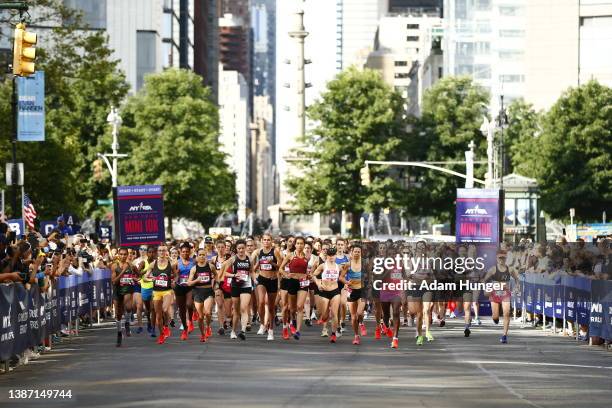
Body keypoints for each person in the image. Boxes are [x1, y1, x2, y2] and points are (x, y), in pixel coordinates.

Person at [483, 250, 521, 343]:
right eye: (500, 258)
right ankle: (495, 318)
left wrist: (517, 287)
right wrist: (487, 289)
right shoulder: (493, 269)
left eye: (503, 258)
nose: (501, 260)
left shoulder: (510, 269)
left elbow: (517, 279)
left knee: (506, 313)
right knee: (495, 316)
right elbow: (484, 280)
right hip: (494, 293)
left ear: (506, 258)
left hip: (505, 293)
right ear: (497, 258)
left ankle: (504, 335)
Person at [221, 239, 256, 340]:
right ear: (236, 249)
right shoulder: (232, 259)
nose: (241, 250)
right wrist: (234, 275)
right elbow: (225, 273)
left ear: (245, 248)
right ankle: (233, 331)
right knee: (236, 311)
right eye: (239, 248)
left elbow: (252, 271)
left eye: (243, 248)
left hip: (246, 285)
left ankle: (243, 331)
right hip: (235, 286)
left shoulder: (249, 259)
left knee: (244, 308)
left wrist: (255, 280)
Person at [279, 236, 309, 340]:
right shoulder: (290, 255)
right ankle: (292, 320)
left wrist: (308, 275)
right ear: (295, 245)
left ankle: (298, 331)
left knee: (300, 306)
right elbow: (280, 268)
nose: (300, 245)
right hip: (292, 282)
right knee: (292, 309)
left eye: (302, 243)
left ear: (304, 245)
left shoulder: (307, 257)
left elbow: (307, 270)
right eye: (298, 243)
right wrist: (287, 275)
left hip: (303, 283)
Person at [145, 245, 176, 345]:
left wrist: (174, 281)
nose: (162, 252)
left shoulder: (171, 264)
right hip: (156, 291)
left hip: (167, 291)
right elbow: (145, 277)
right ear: (157, 252)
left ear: (166, 252)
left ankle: (166, 326)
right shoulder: (153, 264)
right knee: (158, 316)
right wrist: (151, 278)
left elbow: (176, 275)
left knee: (165, 309)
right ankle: (162, 334)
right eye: (160, 251)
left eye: (163, 250)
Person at [253, 233, 281, 340]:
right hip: (262, 279)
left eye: (268, 240)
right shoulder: (259, 252)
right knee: (260, 302)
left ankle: (271, 330)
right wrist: (255, 275)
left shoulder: (275, 251)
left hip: (272, 280)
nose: (266, 242)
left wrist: (272, 263)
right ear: (261, 241)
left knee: (271, 306)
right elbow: (255, 267)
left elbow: (280, 266)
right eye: (264, 240)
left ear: (271, 241)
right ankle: (262, 324)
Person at [312, 246, 342, 343]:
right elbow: (313, 275)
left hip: (335, 291)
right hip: (324, 291)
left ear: (336, 256)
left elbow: (344, 275)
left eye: (333, 255)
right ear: (327, 256)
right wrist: (318, 283)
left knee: (334, 313)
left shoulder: (339, 266)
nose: (331, 257)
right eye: (329, 255)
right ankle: (324, 316)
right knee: (323, 314)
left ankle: (333, 334)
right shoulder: (323, 266)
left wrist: (346, 284)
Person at [187, 247, 217, 342]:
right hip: (198, 292)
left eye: (204, 255)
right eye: (200, 255)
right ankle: (203, 334)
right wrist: (197, 280)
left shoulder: (211, 266)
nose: (202, 256)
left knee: (207, 312)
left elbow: (216, 275)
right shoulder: (194, 269)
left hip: (208, 291)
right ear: (197, 257)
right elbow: (189, 283)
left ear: (206, 256)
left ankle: (208, 327)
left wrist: (215, 284)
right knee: (200, 316)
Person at [111, 248, 136, 347]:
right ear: (118, 255)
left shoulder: (131, 265)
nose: (123, 256)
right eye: (121, 254)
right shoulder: (114, 266)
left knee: (129, 307)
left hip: (127, 289)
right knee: (118, 314)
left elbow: (138, 274)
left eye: (125, 254)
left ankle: (127, 322)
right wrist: (123, 272)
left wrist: (137, 277)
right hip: (117, 290)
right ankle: (119, 333)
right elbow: (114, 281)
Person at [343, 244, 367, 345]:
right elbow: (341, 277)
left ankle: (361, 323)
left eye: (358, 251)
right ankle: (356, 336)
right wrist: (346, 282)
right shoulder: (348, 264)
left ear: (361, 253)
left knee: (359, 313)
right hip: (352, 291)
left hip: (362, 291)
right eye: (355, 251)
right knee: (353, 317)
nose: (357, 253)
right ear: (352, 253)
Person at [175, 242, 195, 340]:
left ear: (190, 252)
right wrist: (175, 275)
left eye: (187, 252)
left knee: (189, 304)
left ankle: (190, 320)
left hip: (190, 286)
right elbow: (172, 275)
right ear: (180, 252)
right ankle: (185, 328)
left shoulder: (193, 262)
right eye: (183, 252)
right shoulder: (176, 262)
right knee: (181, 310)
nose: (185, 253)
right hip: (179, 286)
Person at [214, 239, 233, 335]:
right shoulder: (214, 259)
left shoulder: (230, 259)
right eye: (219, 247)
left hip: (228, 284)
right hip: (218, 284)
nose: (220, 249)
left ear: (225, 248)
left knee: (228, 311)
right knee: (220, 305)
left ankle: (229, 318)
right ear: (216, 248)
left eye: (222, 247)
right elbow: (212, 272)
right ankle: (221, 326)